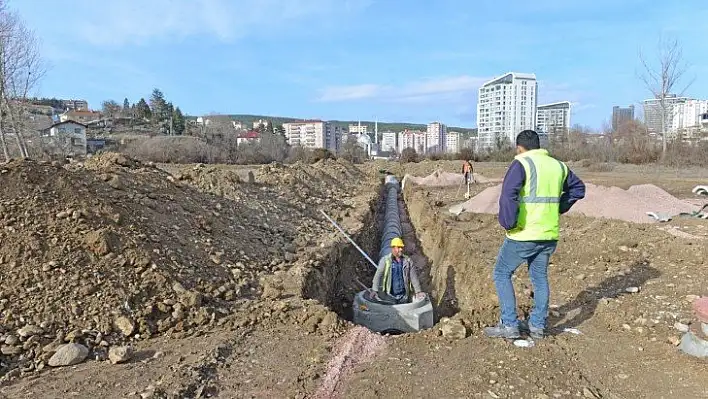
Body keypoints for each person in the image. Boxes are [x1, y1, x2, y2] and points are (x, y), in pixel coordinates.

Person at [484, 130, 586, 340]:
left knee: (501, 273)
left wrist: (508, 222)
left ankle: (509, 324)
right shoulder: (558, 165)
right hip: (548, 235)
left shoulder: (521, 163)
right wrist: (559, 207)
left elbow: (508, 195)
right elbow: (578, 189)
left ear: (520, 147)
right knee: (539, 278)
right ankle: (537, 326)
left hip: (524, 234)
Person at [372, 237, 426, 304]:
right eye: (399, 247)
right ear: (393, 248)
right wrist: (375, 290)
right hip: (389, 296)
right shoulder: (385, 260)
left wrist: (418, 291)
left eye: (402, 247)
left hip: (404, 296)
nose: (401, 249)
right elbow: (378, 275)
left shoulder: (408, 261)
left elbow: (413, 277)